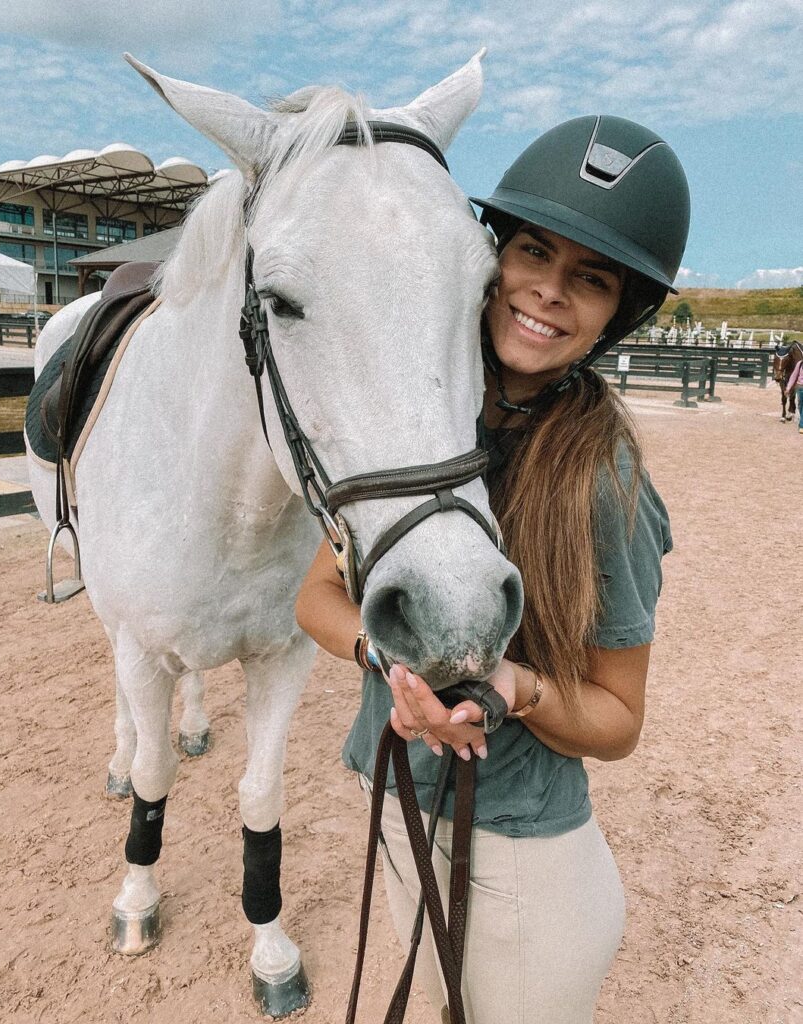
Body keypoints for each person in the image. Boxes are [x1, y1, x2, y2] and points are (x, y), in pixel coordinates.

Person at [296, 114, 690, 1023]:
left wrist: (512, 686)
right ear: (492, 256)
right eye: (531, 251)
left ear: (616, 313)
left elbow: (619, 720)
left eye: (588, 278)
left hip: (521, 853)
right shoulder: (412, 427)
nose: (548, 292)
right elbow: (316, 595)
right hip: (394, 798)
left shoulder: (606, 485)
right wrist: (382, 659)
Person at [785, 356, 803, 431]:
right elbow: (793, 376)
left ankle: (801, 425)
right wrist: (788, 388)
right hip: (800, 387)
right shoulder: (800, 364)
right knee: (800, 405)